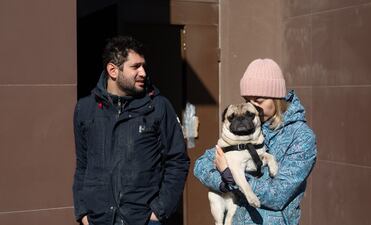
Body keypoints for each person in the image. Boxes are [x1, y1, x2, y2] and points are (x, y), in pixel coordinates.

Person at [73, 36, 190, 225]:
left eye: (144, 66)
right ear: (113, 70)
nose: (143, 72)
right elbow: (82, 164)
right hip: (98, 219)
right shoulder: (85, 109)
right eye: (135, 67)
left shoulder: (158, 106)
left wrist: (159, 211)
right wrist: (83, 213)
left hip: (143, 219)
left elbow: (177, 160)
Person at [194, 58, 317, 225]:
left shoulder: (301, 137)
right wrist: (224, 182)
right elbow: (201, 165)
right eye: (247, 99)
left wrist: (234, 178)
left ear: (277, 99)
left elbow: (278, 195)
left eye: (258, 101)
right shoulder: (248, 129)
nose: (252, 106)